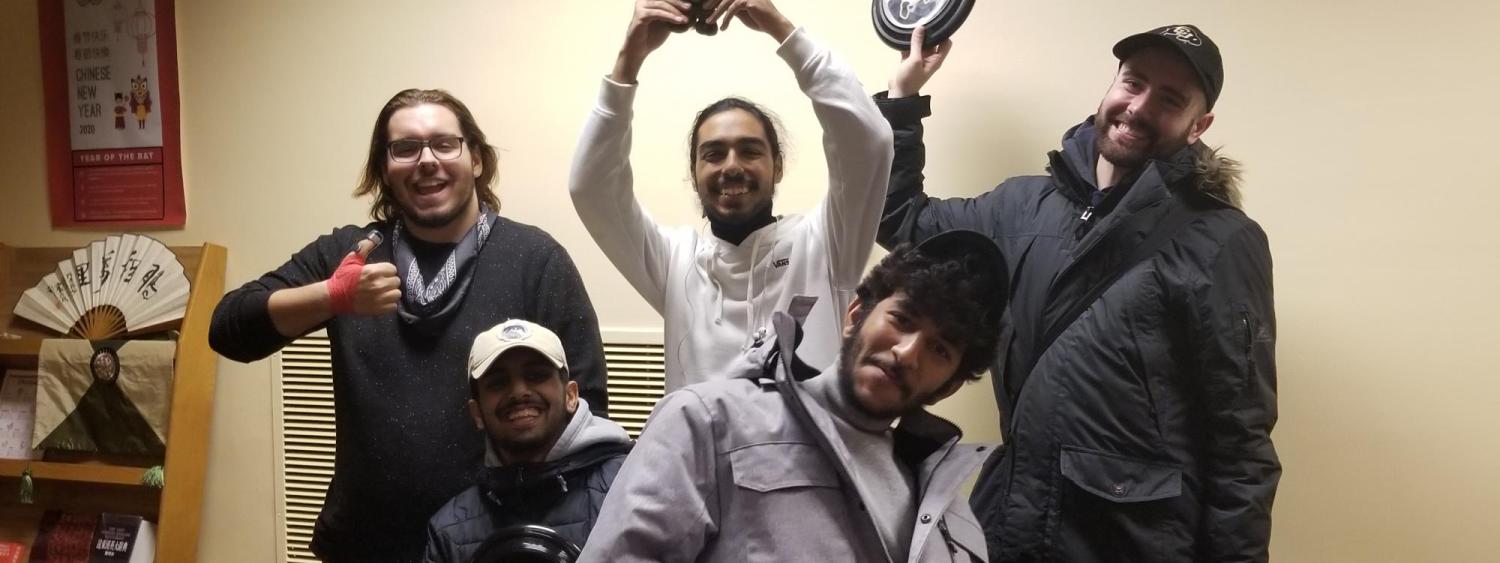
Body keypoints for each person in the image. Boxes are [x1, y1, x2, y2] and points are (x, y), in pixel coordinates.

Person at [877, 24, 1279, 562]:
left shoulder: (1221, 240)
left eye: (1169, 99)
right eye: (1132, 83)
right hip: (1010, 523)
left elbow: (1241, 446)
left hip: (1132, 545)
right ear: (1111, 86)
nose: (1138, 107)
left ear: (1196, 126)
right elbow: (901, 219)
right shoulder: (1018, 205)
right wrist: (904, 99)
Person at [209, 89, 609, 562]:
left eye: (444, 143)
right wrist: (332, 297)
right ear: (384, 169)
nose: (426, 160)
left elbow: (587, 409)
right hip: (365, 542)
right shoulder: (351, 254)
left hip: (492, 545)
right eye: (405, 148)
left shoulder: (534, 259)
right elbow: (228, 328)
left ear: (476, 160)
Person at [580, 230, 1007, 562]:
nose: (906, 352)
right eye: (902, 318)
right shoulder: (709, 422)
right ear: (855, 315)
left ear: (949, 385)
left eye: (940, 349)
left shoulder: (951, 513)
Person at [569, 0, 893, 390]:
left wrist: (782, 29)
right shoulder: (675, 262)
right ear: (695, 174)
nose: (732, 165)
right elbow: (591, 187)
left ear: (778, 167)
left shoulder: (824, 244)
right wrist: (629, 59)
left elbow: (868, 142)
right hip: (698, 452)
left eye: (751, 150)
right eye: (714, 153)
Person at [423, 319, 631, 563]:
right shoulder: (450, 532)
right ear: (477, 413)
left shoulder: (631, 488)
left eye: (536, 375)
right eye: (498, 382)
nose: (519, 391)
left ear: (571, 396)